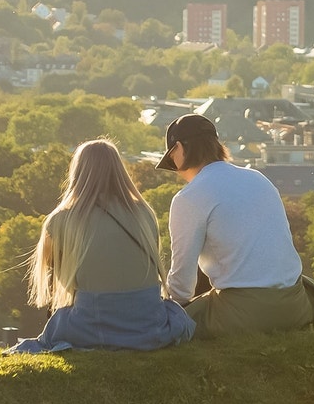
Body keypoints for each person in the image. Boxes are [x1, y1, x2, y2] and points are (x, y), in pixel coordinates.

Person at [159, 113, 314, 339]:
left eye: (171, 158)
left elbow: (182, 284)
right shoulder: (258, 178)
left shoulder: (189, 197)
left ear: (178, 149)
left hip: (243, 314)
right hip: (295, 305)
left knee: (165, 323)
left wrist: (170, 308)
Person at [10, 138, 194, 353]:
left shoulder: (61, 220)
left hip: (91, 325)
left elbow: (56, 278)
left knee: (60, 322)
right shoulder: (145, 214)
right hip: (148, 324)